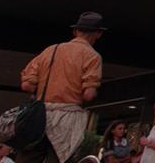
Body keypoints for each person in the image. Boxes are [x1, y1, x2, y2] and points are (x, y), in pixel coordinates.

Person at [18, 12, 106, 163]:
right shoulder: (93, 56)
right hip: (67, 118)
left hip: (39, 115)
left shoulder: (51, 50)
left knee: (27, 159)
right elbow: (88, 94)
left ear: (75, 31)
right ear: (98, 34)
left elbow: (26, 85)